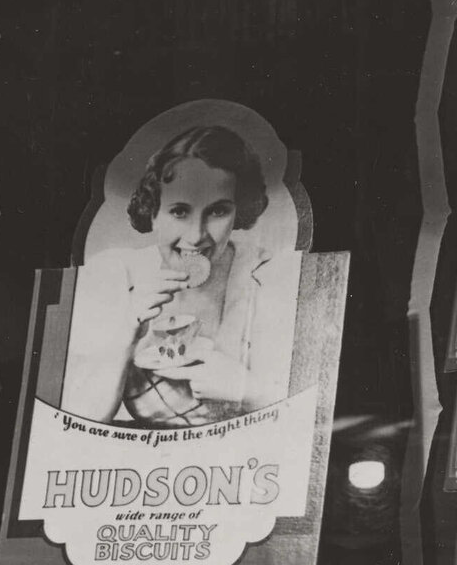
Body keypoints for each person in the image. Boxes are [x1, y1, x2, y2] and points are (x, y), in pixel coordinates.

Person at [61, 124, 299, 427]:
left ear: (239, 211)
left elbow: (304, 418)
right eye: (179, 211)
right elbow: (81, 419)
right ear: (152, 211)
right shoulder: (115, 274)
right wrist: (127, 327)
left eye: (218, 211)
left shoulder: (264, 274)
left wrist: (248, 390)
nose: (196, 236)